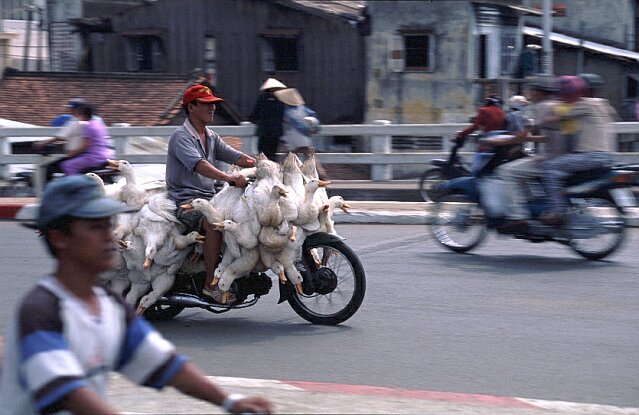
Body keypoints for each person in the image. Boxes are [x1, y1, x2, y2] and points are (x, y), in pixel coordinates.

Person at [0, 175, 273, 414]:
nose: (109, 236)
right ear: (60, 238)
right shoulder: (41, 311)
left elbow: (165, 364)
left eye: (108, 224)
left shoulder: (110, 307)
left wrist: (230, 401)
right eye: (95, 227)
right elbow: (67, 392)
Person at [166, 84, 256, 300]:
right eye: (207, 104)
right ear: (191, 107)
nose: (213, 108)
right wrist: (229, 178)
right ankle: (210, 284)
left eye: (214, 104)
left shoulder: (211, 136)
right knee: (213, 223)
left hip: (213, 198)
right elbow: (199, 165)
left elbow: (236, 157)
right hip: (187, 201)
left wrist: (262, 165)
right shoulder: (181, 137)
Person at [539, 75, 617, 224]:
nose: (564, 99)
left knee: (550, 167)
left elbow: (552, 120)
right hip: (605, 156)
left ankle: (557, 211)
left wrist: (539, 121)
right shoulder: (602, 103)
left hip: (591, 156)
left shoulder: (583, 105)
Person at [492, 76, 563, 231]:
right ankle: (532, 207)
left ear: (538, 92)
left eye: (531, 90)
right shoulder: (558, 105)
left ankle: (518, 216)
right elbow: (547, 136)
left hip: (549, 159)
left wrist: (503, 142)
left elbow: (525, 133)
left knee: (505, 171)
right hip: (561, 156)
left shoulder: (542, 107)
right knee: (522, 168)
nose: (528, 94)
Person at [274, 87, 328, 179]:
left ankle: (284, 178)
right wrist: (314, 129)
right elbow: (313, 116)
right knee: (312, 160)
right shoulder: (303, 108)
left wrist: (305, 131)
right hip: (306, 140)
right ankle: (323, 177)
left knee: (289, 160)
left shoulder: (288, 112)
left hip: (294, 140)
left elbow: (297, 125)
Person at [454, 94, 507, 176]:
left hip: (487, 144)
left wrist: (461, 133)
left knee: (475, 169)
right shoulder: (502, 112)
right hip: (499, 144)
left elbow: (475, 127)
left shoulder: (484, 110)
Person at [249, 77, 287, 161]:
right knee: (272, 156)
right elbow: (282, 116)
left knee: (263, 156)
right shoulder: (280, 101)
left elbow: (254, 115)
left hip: (264, 132)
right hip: (275, 133)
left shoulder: (261, 99)